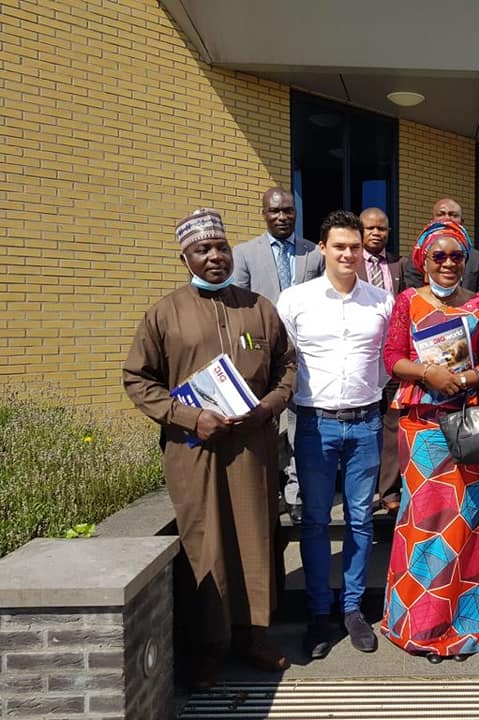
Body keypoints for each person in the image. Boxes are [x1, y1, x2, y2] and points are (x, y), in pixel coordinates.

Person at [123, 208, 297, 685]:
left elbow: (287, 368)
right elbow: (138, 379)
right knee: (205, 543)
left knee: (256, 538)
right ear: (185, 257)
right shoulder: (165, 313)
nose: (215, 256)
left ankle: (253, 638)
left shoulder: (258, 308)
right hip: (194, 450)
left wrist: (267, 408)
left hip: (252, 447)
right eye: (203, 249)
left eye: (221, 247)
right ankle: (208, 647)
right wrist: (189, 417)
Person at [381, 221, 479, 663]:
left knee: (465, 519)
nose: (447, 263)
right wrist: (428, 373)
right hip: (420, 429)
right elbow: (391, 357)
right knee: (424, 523)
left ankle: (468, 621)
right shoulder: (408, 301)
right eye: (438, 256)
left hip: (465, 429)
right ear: (423, 260)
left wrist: (465, 377)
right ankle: (423, 624)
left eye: (456, 256)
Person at [276, 210, 394, 659]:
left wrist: (371, 394)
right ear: (322, 248)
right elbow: (284, 358)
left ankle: (352, 609)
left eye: (355, 247)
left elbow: (387, 360)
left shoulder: (381, 302)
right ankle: (318, 613)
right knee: (316, 520)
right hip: (314, 423)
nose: (348, 254)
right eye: (339, 246)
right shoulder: (295, 300)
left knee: (361, 518)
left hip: (365, 422)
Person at [232, 187, 323, 519]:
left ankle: (296, 493)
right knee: (264, 421)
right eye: (275, 211)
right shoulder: (244, 254)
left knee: (300, 422)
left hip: (304, 353)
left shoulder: (314, 253)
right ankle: (269, 489)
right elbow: (238, 307)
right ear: (264, 214)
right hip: (260, 351)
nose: (282, 217)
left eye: (288, 210)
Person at [357, 207, 407, 514]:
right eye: (370, 228)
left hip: (394, 359)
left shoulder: (399, 264)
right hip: (361, 357)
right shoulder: (349, 264)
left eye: (382, 229)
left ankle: (388, 491)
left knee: (392, 425)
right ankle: (364, 492)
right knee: (364, 426)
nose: (377, 233)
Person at [403, 198, 479, 297]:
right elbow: (413, 294)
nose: (447, 219)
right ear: (432, 221)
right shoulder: (418, 257)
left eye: (454, 215)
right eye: (441, 214)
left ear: (462, 222)